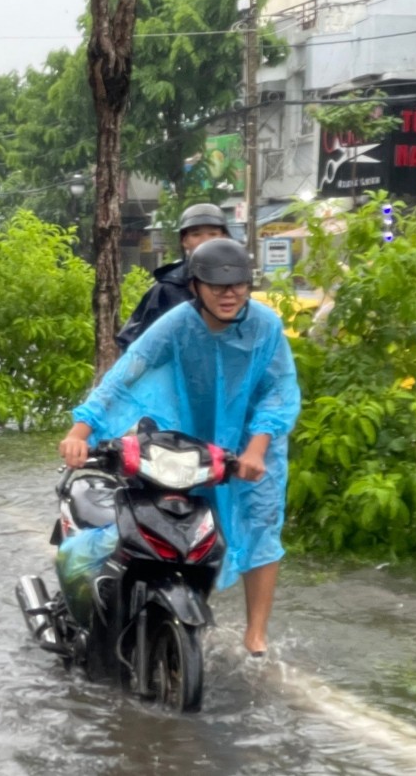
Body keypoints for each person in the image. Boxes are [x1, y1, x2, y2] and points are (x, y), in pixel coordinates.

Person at [59, 238, 300, 656]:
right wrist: (80, 431)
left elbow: (279, 391)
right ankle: (176, 610)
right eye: (217, 286)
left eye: (239, 285)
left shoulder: (266, 326)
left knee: (261, 522)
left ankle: (255, 633)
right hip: (192, 435)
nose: (229, 294)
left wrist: (258, 447)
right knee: (179, 516)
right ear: (194, 286)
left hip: (253, 444)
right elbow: (126, 373)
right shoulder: (176, 324)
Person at [115, 203, 231, 352]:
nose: (204, 240)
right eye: (196, 234)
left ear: (225, 237)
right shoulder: (166, 289)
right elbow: (135, 345)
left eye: (212, 234)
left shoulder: (236, 283)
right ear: (184, 241)